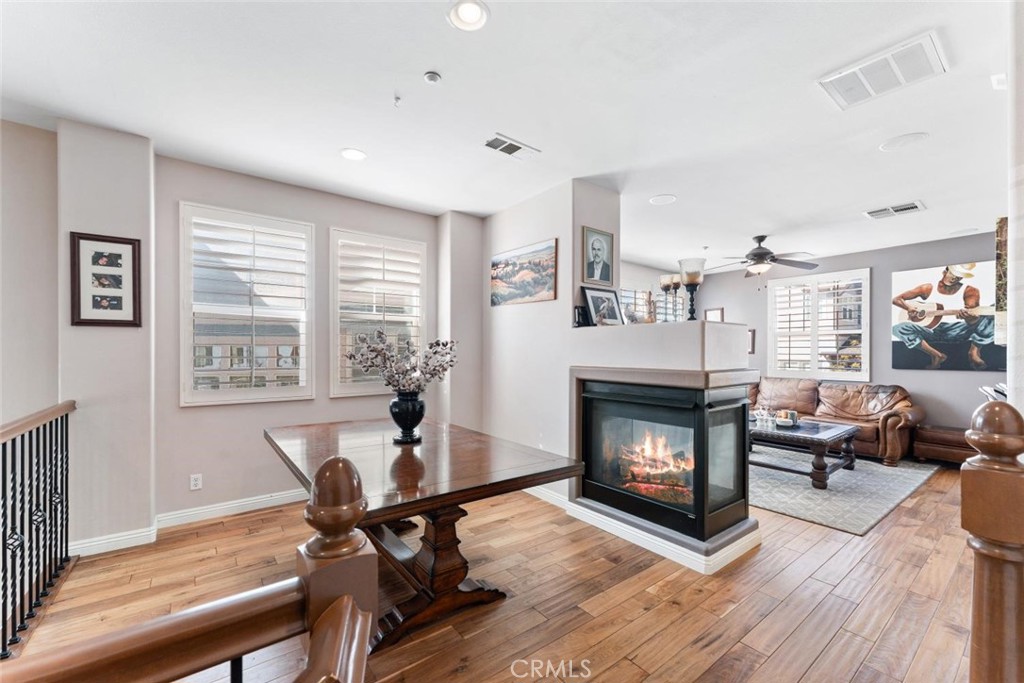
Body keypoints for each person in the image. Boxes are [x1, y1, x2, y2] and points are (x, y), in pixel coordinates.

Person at [891, 262, 994, 370]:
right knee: (897, 328)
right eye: (952, 274)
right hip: (931, 330)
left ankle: (974, 350)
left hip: (958, 330)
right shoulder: (927, 288)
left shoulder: (970, 291)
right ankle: (936, 355)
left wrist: (967, 317)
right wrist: (909, 308)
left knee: (992, 313)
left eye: (959, 276)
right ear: (944, 272)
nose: (954, 278)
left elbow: (974, 322)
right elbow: (896, 299)